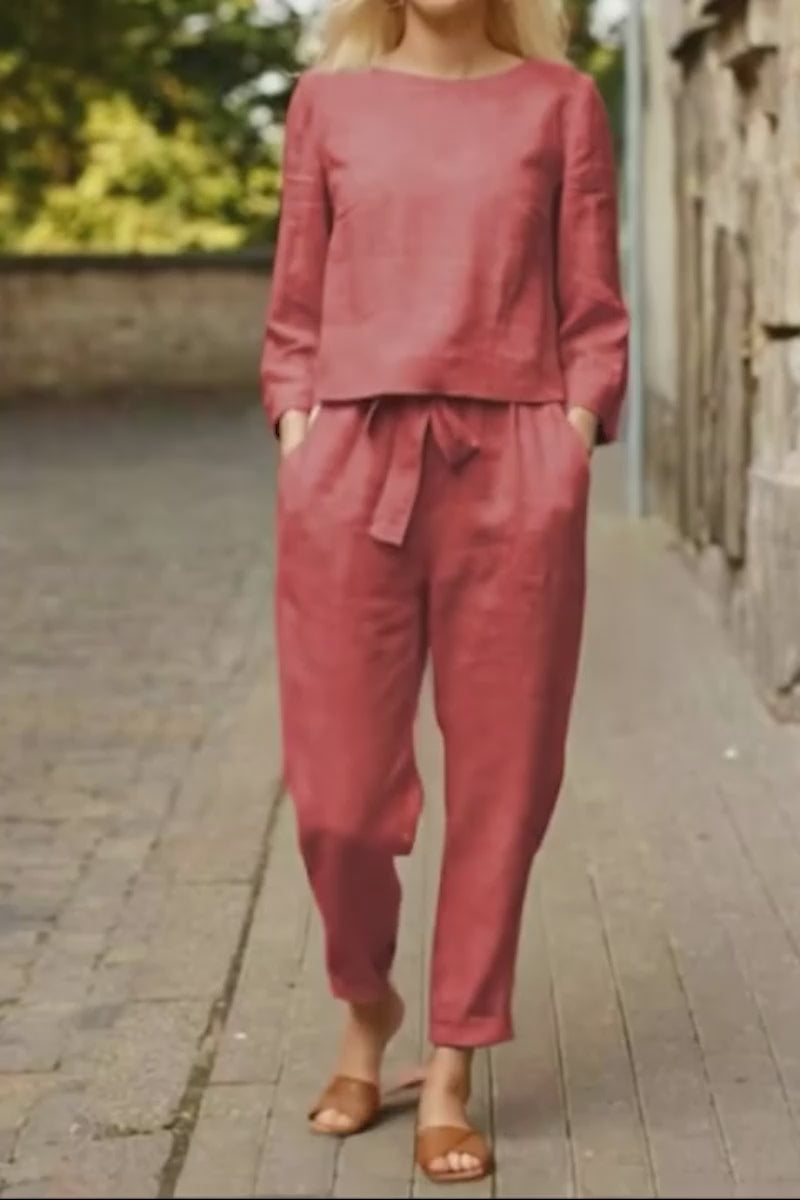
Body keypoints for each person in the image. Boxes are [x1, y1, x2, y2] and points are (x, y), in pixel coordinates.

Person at [261, 0, 628, 1183]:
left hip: (513, 469)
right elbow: (293, 307)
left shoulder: (559, 104)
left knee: (501, 786)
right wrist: (298, 431)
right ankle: (365, 1005)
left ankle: (454, 1062)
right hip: (351, 464)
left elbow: (592, 306)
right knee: (336, 798)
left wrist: (570, 439)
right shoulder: (327, 103)